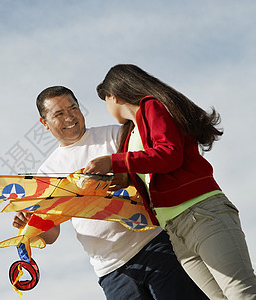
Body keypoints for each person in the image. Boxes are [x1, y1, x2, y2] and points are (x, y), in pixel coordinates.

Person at [13, 86, 208, 299]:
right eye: (59, 114)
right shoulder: (46, 173)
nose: (69, 116)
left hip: (157, 244)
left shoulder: (114, 135)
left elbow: (151, 171)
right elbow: (52, 234)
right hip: (111, 270)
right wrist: (30, 224)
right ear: (45, 123)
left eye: (73, 108)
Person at [85, 64, 256, 299]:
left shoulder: (151, 106)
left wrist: (114, 161)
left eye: (104, 100)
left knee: (241, 293)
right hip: (174, 230)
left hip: (201, 212)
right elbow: (145, 171)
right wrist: (115, 179)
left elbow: (168, 154)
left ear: (113, 95)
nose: (106, 108)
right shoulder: (129, 135)